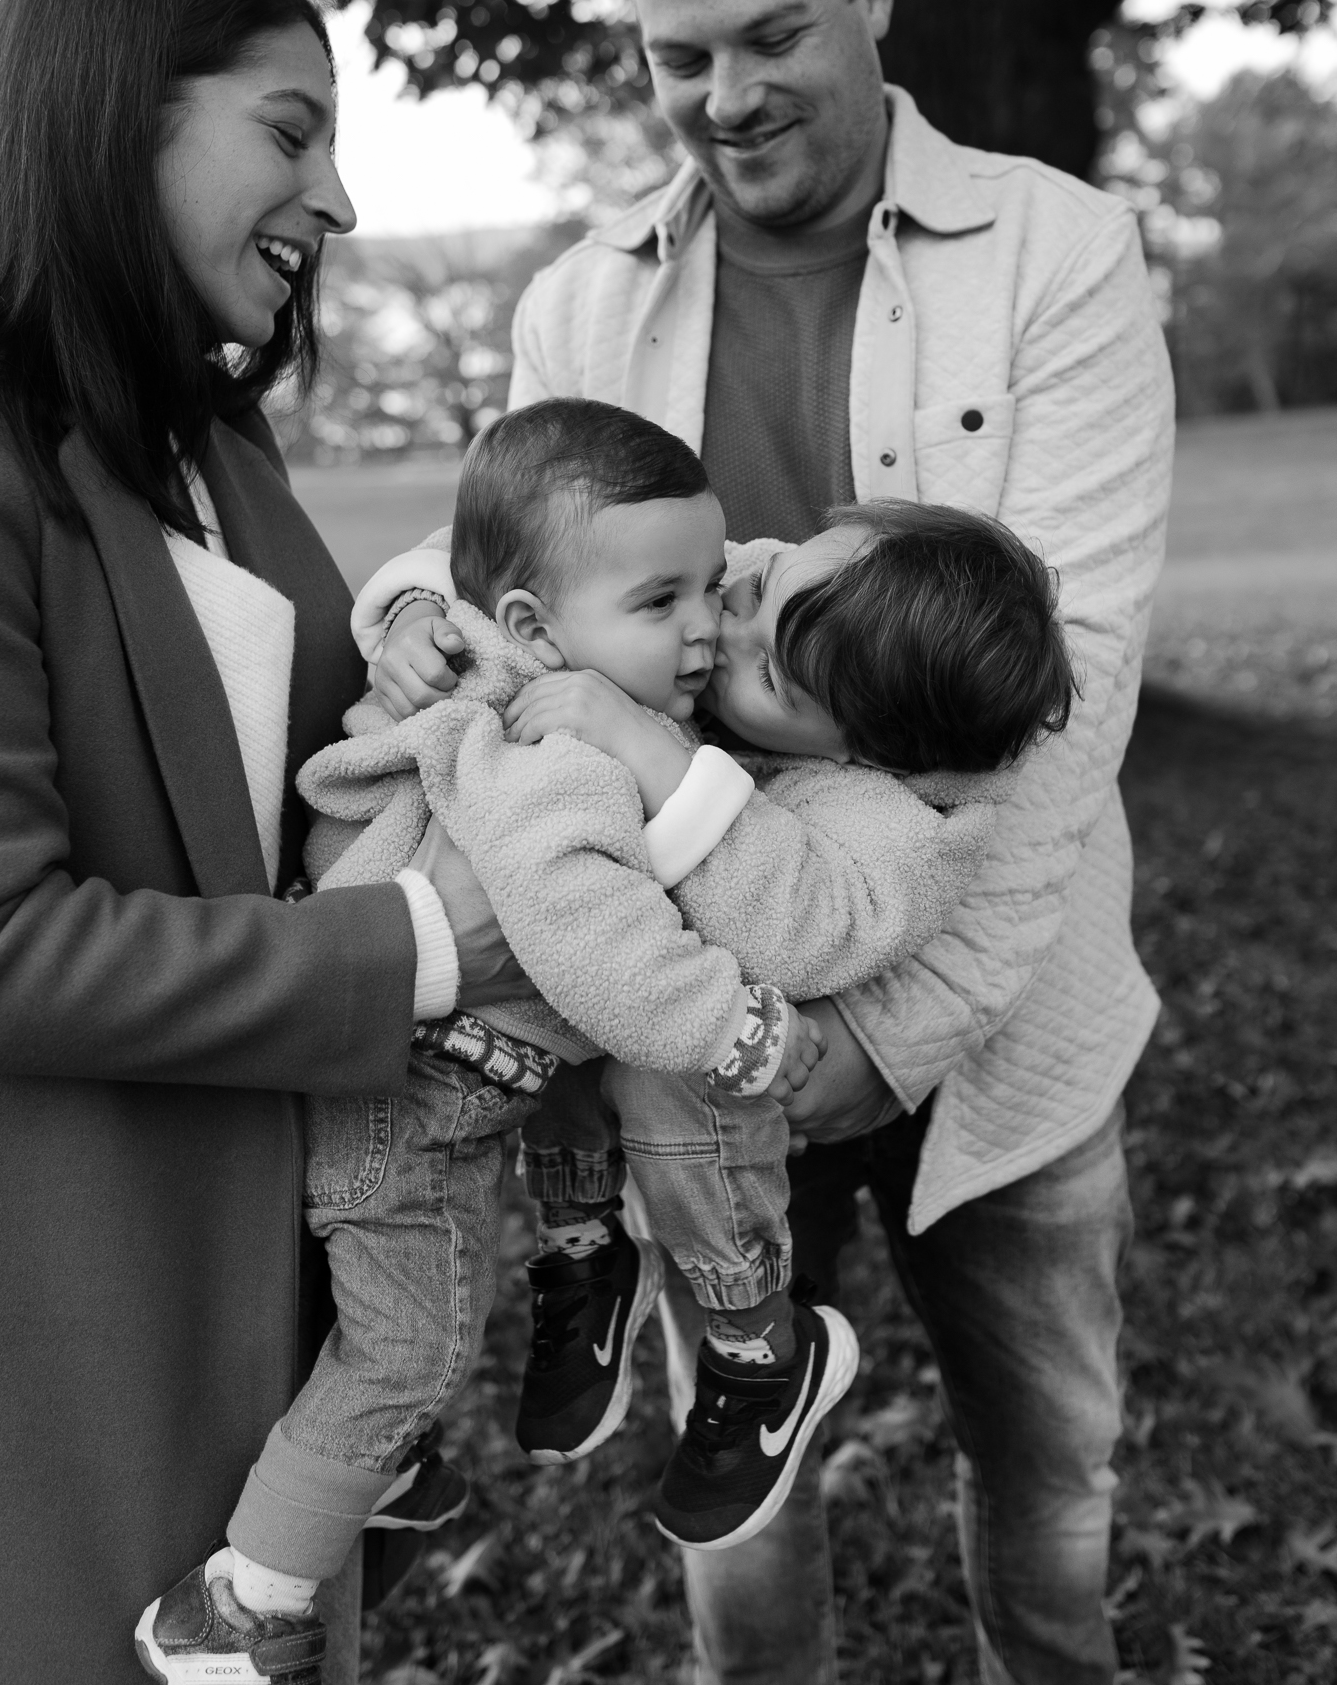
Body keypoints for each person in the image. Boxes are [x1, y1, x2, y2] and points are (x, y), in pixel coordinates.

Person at [480, 0, 1173, 1684]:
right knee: (744, 1469)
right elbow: (517, 631)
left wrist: (875, 1038)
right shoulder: (576, 306)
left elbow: (1068, 693)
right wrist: (721, 1033)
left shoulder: (1058, 252)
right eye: (679, 55)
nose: (727, 93)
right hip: (700, 1001)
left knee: (1048, 1470)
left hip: (993, 1002)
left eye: (774, 32)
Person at [0, 0, 489, 1685]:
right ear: (120, 119)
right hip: (72, 1298)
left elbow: (318, 755)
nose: (336, 199)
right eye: (291, 128)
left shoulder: (216, 442)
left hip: (281, 1259)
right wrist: (415, 949)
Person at [336, 397, 1072, 1565]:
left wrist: (658, 754)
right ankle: (587, 1247)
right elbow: (542, 546)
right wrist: (419, 605)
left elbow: (810, 926)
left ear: (863, 749)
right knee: (575, 1003)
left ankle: (758, 1351)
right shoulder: (774, 593)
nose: (714, 637)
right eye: (740, 594)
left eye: (766, 671)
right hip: (600, 978)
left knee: (675, 1079)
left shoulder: (898, 823)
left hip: (736, 1047)